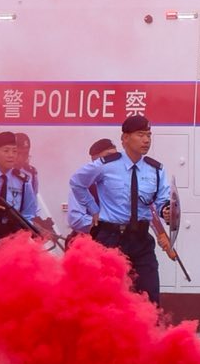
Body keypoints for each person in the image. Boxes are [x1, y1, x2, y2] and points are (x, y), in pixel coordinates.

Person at [67, 114, 174, 300]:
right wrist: (93, 208)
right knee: (108, 298)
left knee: (150, 297)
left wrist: (166, 210)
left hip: (141, 240)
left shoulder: (156, 169)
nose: (146, 140)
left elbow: (162, 200)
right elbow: (77, 182)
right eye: (140, 135)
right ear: (125, 138)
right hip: (111, 239)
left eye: (149, 135)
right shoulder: (106, 165)